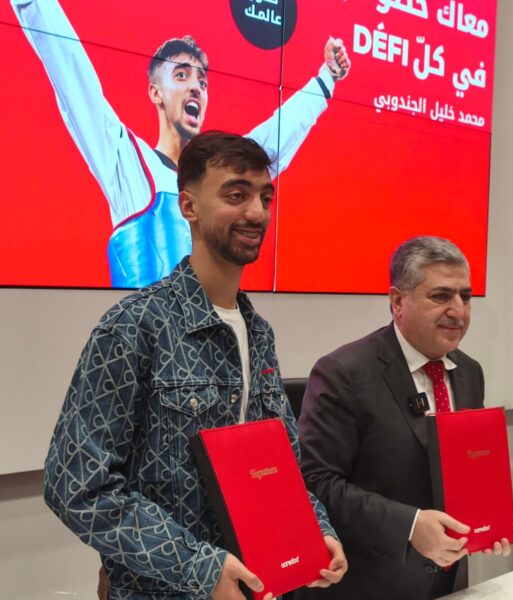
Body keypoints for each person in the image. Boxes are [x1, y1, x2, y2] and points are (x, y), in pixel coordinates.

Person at [43, 131, 347, 599]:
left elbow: (279, 469)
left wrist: (315, 531)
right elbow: (76, 486)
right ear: (188, 206)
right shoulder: (134, 327)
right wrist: (198, 567)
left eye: (265, 197)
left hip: (256, 585)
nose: (257, 213)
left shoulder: (259, 333)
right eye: (236, 195)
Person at [13, 0, 350, 288]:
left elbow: (270, 142)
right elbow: (70, 69)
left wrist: (326, 79)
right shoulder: (130, 165)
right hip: (145, 343)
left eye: (202, 81)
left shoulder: (216, 173)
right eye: (181, 75)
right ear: (155, 92)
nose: (195, 87)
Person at [296, 236, 513, 599]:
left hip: (448, 583)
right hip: (367, 587)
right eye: (441, 296)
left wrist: (490, 517)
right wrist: (410, 526)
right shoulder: (344, 373)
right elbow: (316, 482)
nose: (459, 311)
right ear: (398, 301)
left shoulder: (469, 372)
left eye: (465, 297)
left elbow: (463, 469)